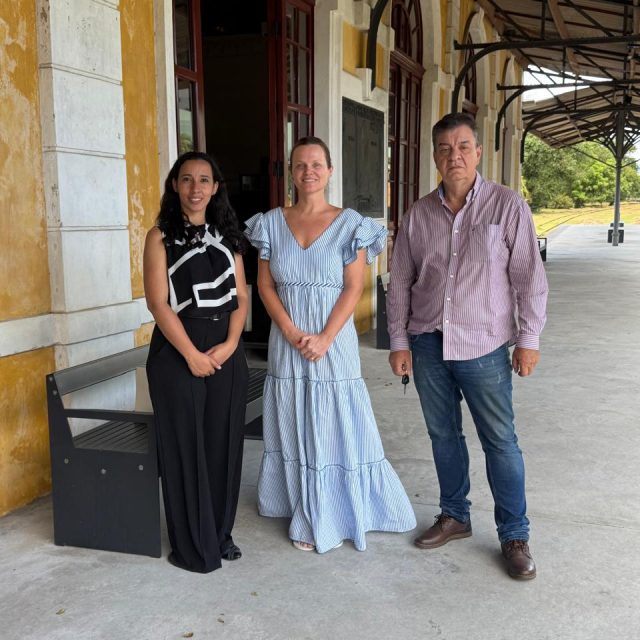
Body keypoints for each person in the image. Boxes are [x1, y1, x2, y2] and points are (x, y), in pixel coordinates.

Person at [387, 113, 548, 580]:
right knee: (443, 436)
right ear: (434, 156)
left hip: (485, 347)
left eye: (462, 147)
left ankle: (514, 534)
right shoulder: (418, 214)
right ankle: (455, 515)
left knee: (500, 441)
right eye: (443, 148)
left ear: (477, 152)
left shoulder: (507, 206)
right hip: (428, 345)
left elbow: (528, 279)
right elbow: (399, 282)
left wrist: (528, 339)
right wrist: (400, 341)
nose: (453, 156)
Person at [244, 136, 416, 553]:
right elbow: (264, 286)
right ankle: (299, 502)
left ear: (330, 170)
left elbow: (354, 288)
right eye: (300, 165)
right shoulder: (269, 223)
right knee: (292, 416)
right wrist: (287, 330)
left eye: (317, 164)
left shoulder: (350, 223)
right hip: (287, 340)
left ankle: (331, 509)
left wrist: (324, 337)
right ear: (291, 171)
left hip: (332, 341)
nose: (309, 172)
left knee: (333, 419)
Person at [144, 151, 249, 573]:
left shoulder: (229, 234)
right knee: (185, 447)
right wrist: (190, 354)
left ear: (215, 187)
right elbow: (157, 301)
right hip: (176, 348)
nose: (195, 188)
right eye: (186, 179)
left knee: (222, 443)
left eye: (204, 179)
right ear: (175, 185)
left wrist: (229, 345)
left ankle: (220, 534)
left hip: (225, 345)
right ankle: (192, 545)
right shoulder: (160, 236)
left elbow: (242, 297)